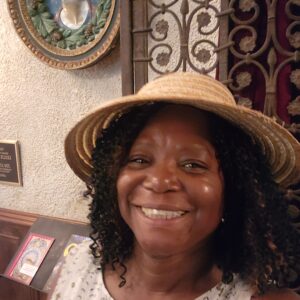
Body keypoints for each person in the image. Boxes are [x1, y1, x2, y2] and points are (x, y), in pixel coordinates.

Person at [50, 72, 300, 299]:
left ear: (233, 189)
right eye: (139, 159)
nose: (159, 182)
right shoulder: (79, 267)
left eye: (193, 164)